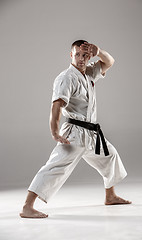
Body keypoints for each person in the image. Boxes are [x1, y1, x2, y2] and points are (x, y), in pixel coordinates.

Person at [19, 40, 132, 218]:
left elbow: (109, 62)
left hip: (92, 133)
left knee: (110, 156)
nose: (81, 58)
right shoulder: (66, 77)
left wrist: (99, 51)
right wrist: (54, 131)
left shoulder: (89, 73)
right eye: (77, 54)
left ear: (89, 56)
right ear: (71, 55)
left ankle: (110, 196)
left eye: (85, 55)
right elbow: (56, 106)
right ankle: (27, 206)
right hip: (74, 133)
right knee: (56, 167)